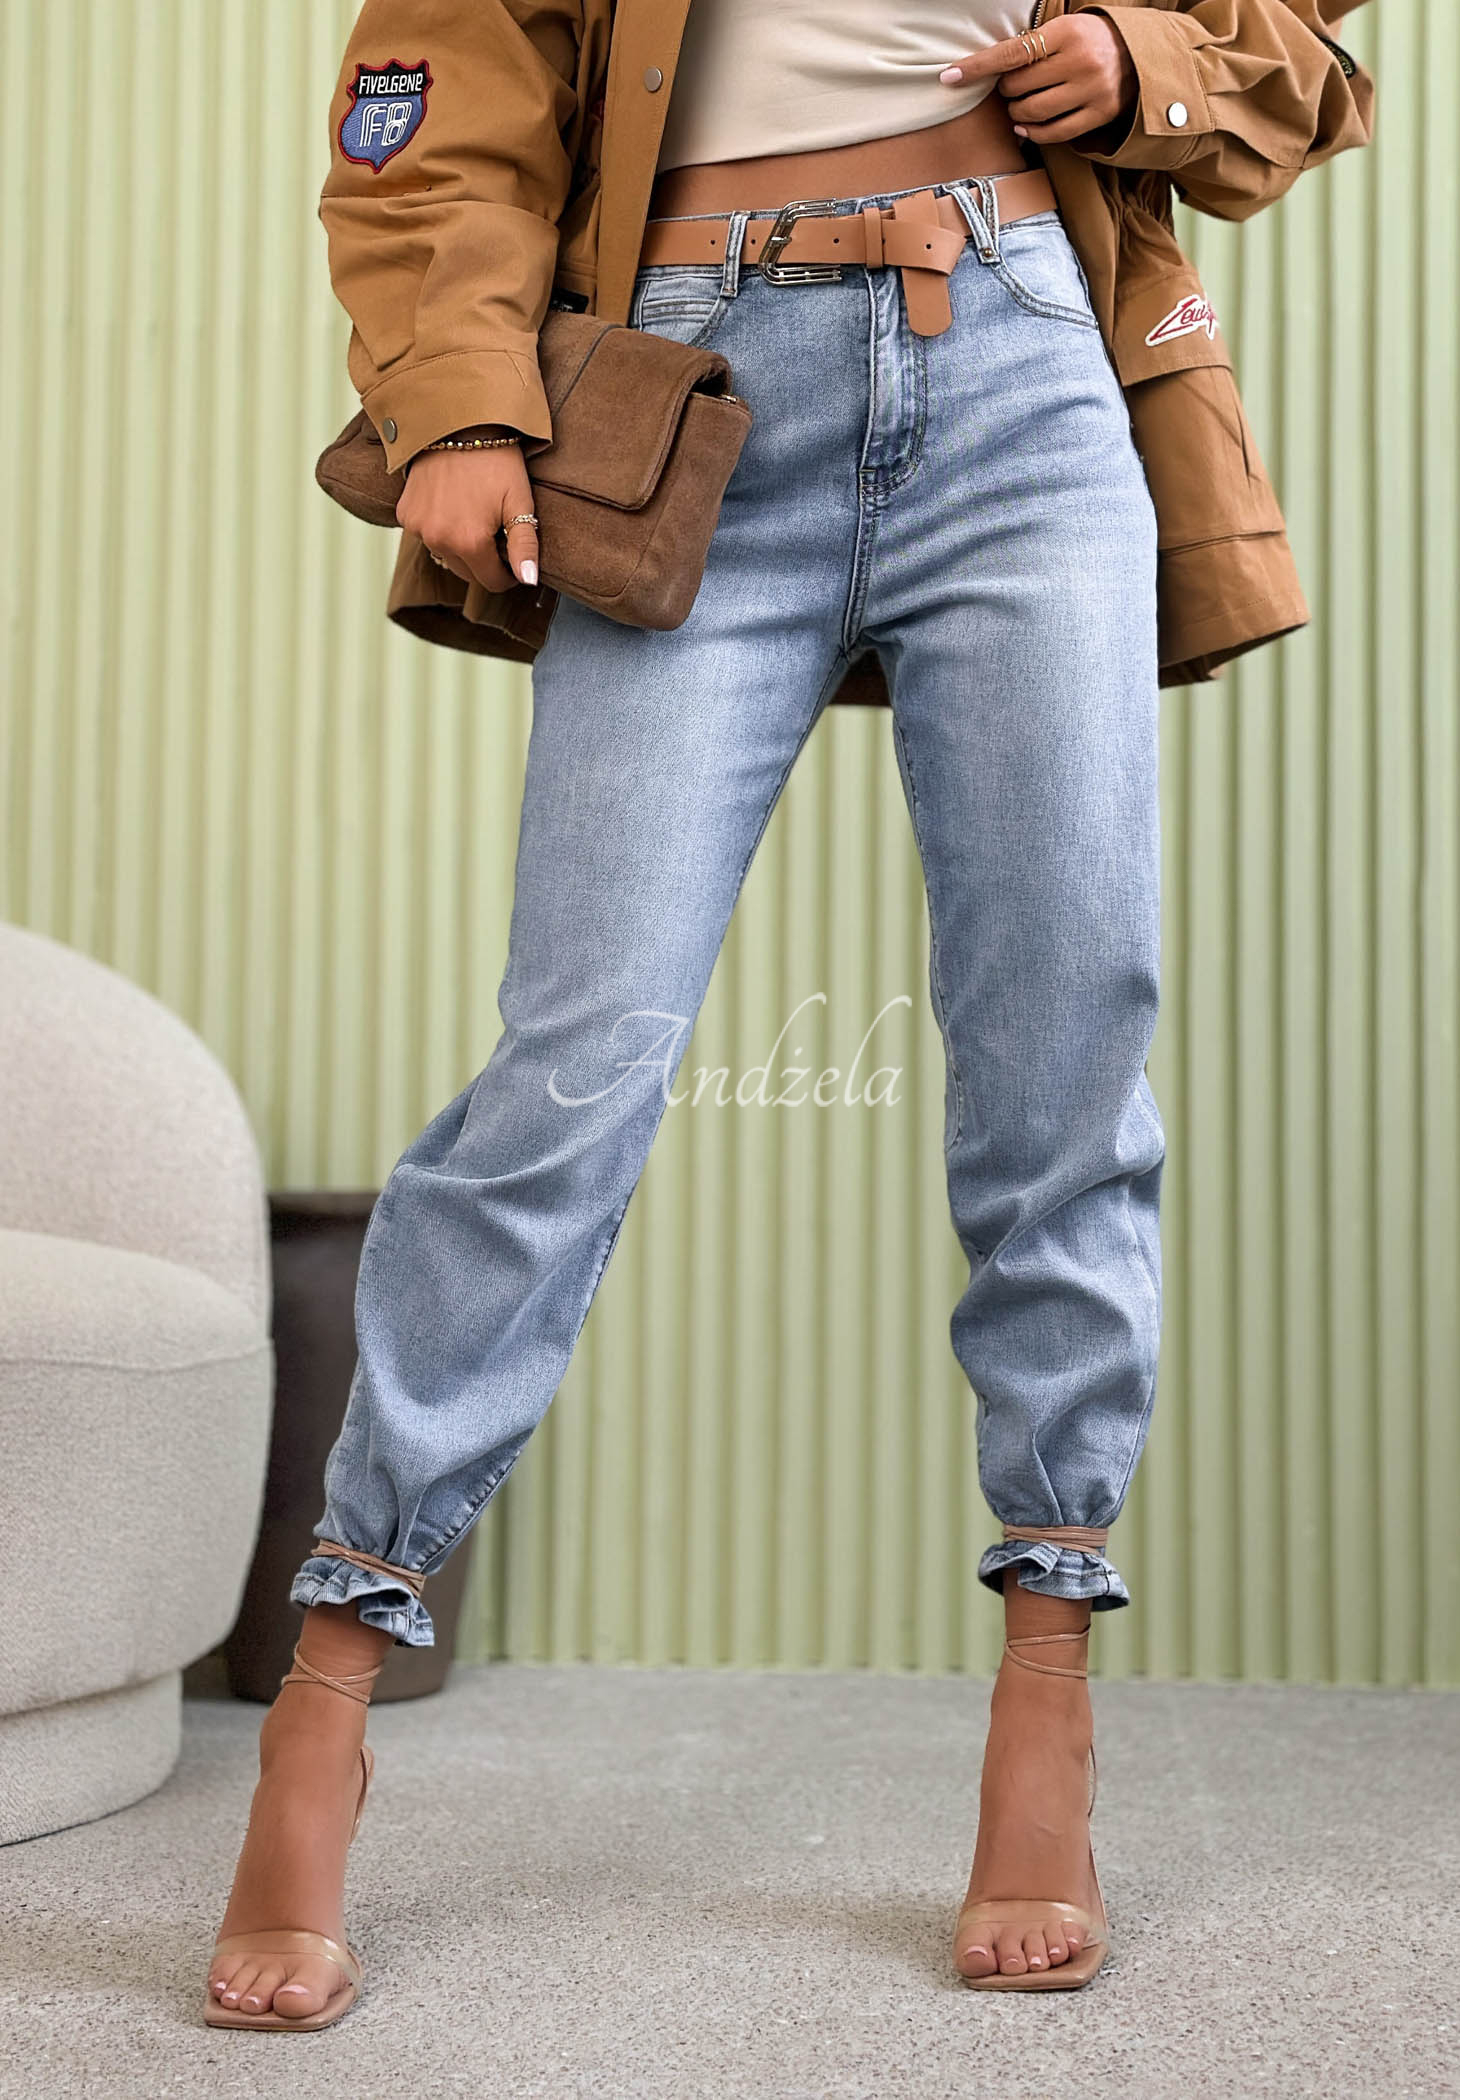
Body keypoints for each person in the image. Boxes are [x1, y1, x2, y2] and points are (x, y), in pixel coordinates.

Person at [204, 0, 1373, 2027]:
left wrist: (1141, 56)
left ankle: (1046, 1682)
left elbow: (1296, 43)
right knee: (573, 1066)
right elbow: (446, 100)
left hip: (1022, 363)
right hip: (685, 379)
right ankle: (328, 1686)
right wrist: (459, 403)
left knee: (1061, 1046)